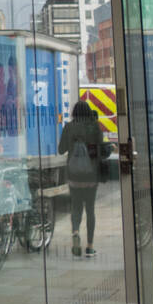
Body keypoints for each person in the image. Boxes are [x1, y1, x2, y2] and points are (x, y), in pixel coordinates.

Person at [58, 101, 105, 258]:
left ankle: (75, 232)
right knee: (90, 209)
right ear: (88, 112)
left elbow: (61, 150)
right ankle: (90, 246)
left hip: (74, 175)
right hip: (91, 175)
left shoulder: (69, 127)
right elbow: (101, 148)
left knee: (76, 206)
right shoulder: (94, 126)